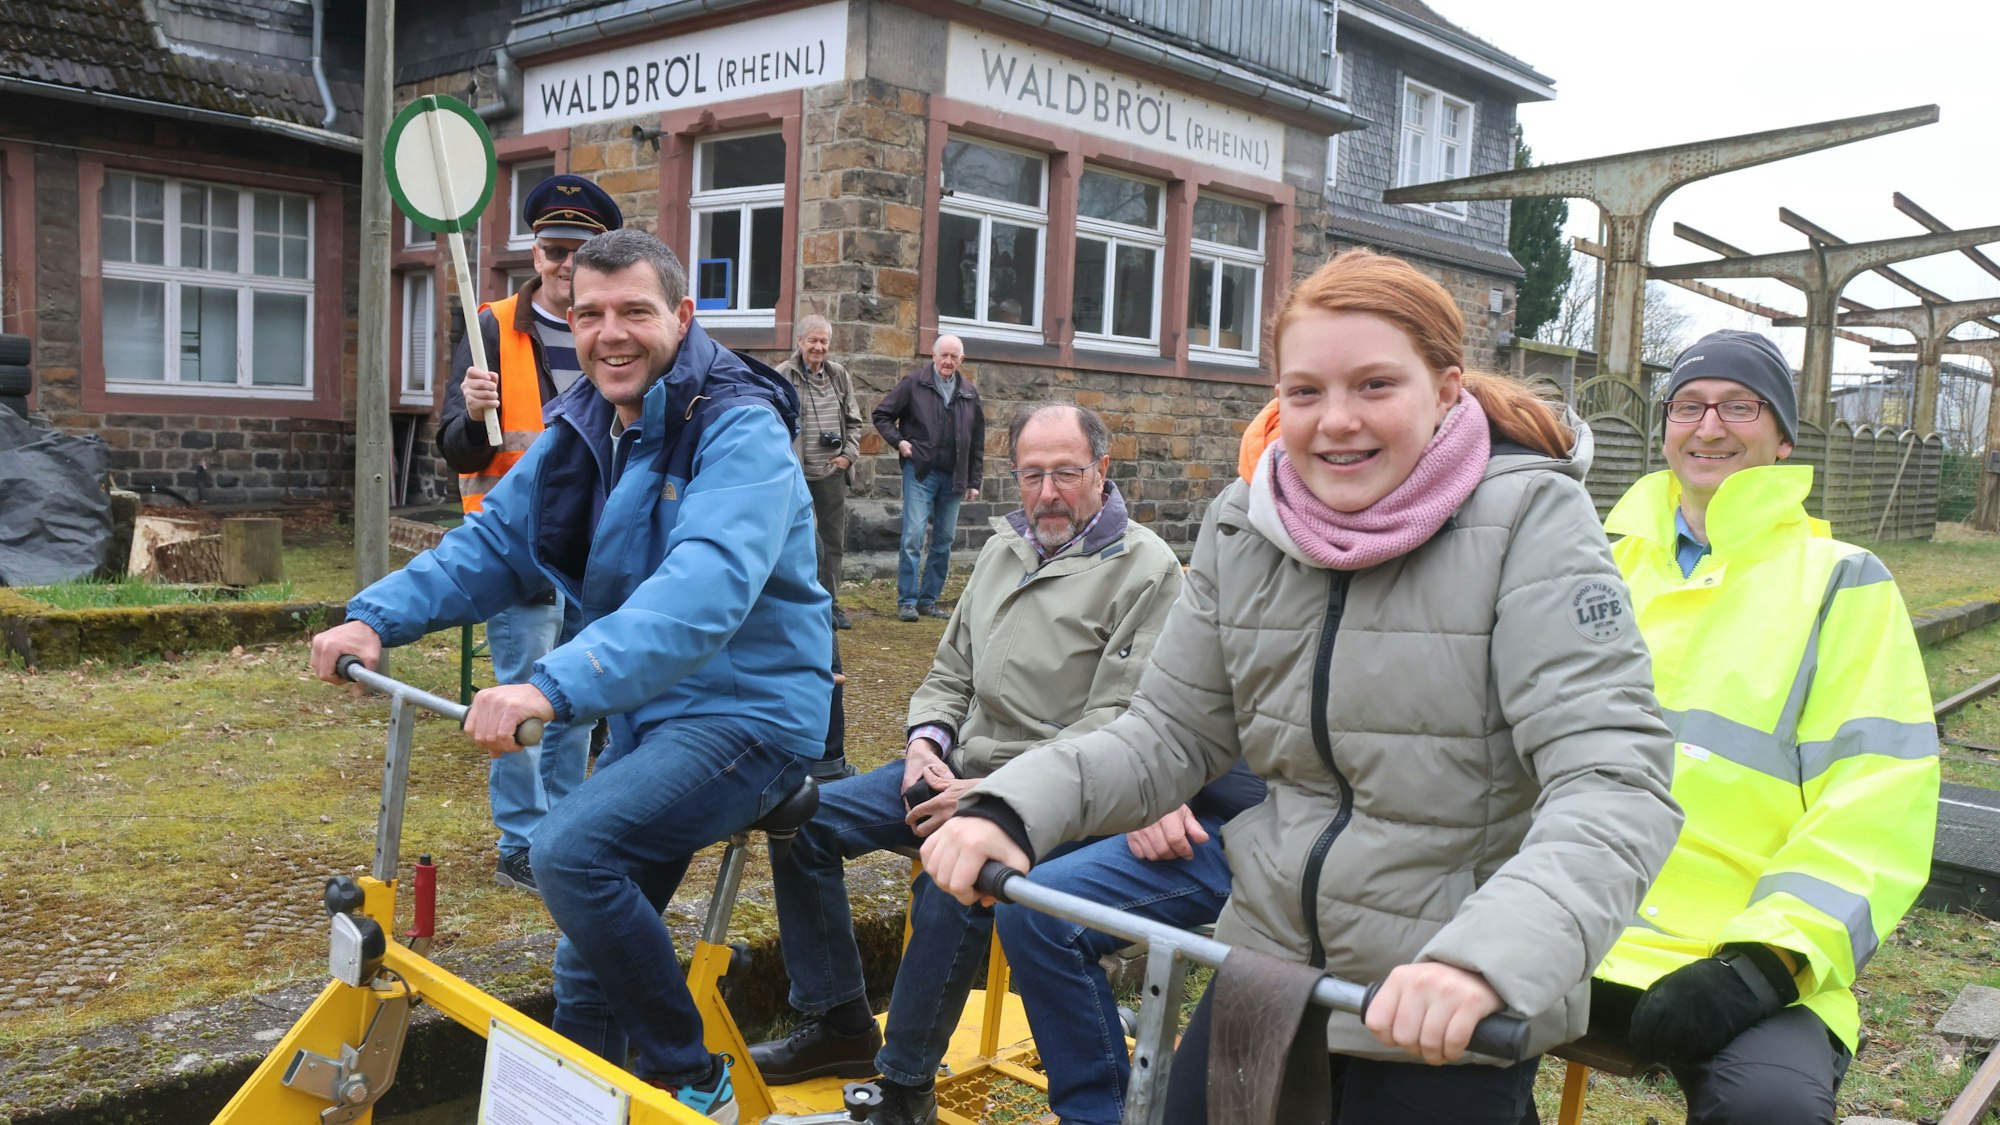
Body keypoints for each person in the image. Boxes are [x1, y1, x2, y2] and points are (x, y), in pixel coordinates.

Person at [922, 248, 1683, 1124]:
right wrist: (1015, 806)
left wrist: (1480, 959)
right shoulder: (1246, 526)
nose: (1335, 423)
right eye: (1306, 393)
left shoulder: (1531, 523)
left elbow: (1613, 781)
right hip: (1269, 975)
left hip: (1437, 1004)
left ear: (1444, 389)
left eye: (1374, 386)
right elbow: (1168, 732)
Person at [312, 229, 830, 1124]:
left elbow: (703, 589)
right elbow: (493, 544)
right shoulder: (587, 425)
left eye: (634, 310)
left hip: (749, 719)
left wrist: (551, 684)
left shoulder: (739, 426)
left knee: (569, 851)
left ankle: (688, 1075)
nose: (609, 333)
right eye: (589, 314)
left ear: (683, 316)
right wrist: (375, 616)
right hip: (651, 716)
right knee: (583, 967)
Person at [749, 402, 1192, 1125]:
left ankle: (904, 1085)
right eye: (1031, 474)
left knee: (958, 880)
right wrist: (927, 741)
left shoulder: (1147, 570)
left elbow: (1118, 724)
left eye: (1066, 473)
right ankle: (839, 1026)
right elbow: (952, 667)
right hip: (957, 772)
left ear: (1103, 472)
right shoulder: (1004, 548)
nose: (1047, 492)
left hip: (1065, 802)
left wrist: (996, 796)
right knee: (804, 818)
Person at [1577, 330, 1940, 1125]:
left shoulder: (1843, 582)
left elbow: (1879, 801)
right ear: (1665, 424)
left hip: (1737, 951)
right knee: (1411, 1053)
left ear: (1782, 438)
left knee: (1768, 1107)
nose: (1710, 426)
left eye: (1741, 406)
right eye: (1690, 404)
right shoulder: (1592, 560)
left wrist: (1763, 965)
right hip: (1567, 913)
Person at [434, 173, 619, 895]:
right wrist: (472, 413)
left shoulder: (612, 329)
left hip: (598, 554)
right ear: (534, 253)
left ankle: (564, 835)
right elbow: (455, 450)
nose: (565, 262)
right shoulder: (489, 328)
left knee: (572, 701)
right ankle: (520, 839)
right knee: (516, 700)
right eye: (552, 248)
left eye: (580, 248)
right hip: (518, 552)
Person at [873, 336, 984, 622]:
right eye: (943, 355)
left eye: (954, 357)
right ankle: (907, 601)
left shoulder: (969, 393)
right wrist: (900, 442)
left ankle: (928, 600)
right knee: (913, 536)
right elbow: (882, 415)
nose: (948, 361)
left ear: (962, 360)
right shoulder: (914, 383)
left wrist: (974, 481)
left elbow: (977, 441)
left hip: (954, 478)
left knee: (944, 540)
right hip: (921, 471)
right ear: (933, 355)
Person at [777, 314, 864, 631]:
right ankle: (797, 602)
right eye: (812, 340)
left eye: (823, 341)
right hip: (795, 474)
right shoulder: (782, 376)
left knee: (831, 541)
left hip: (831, 473)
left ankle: (830, 603)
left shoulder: (839, 376)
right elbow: (773, 423)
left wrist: (847, 456)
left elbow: (855, 422)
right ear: (799, 341)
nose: (818, 347)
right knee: (795, 540)